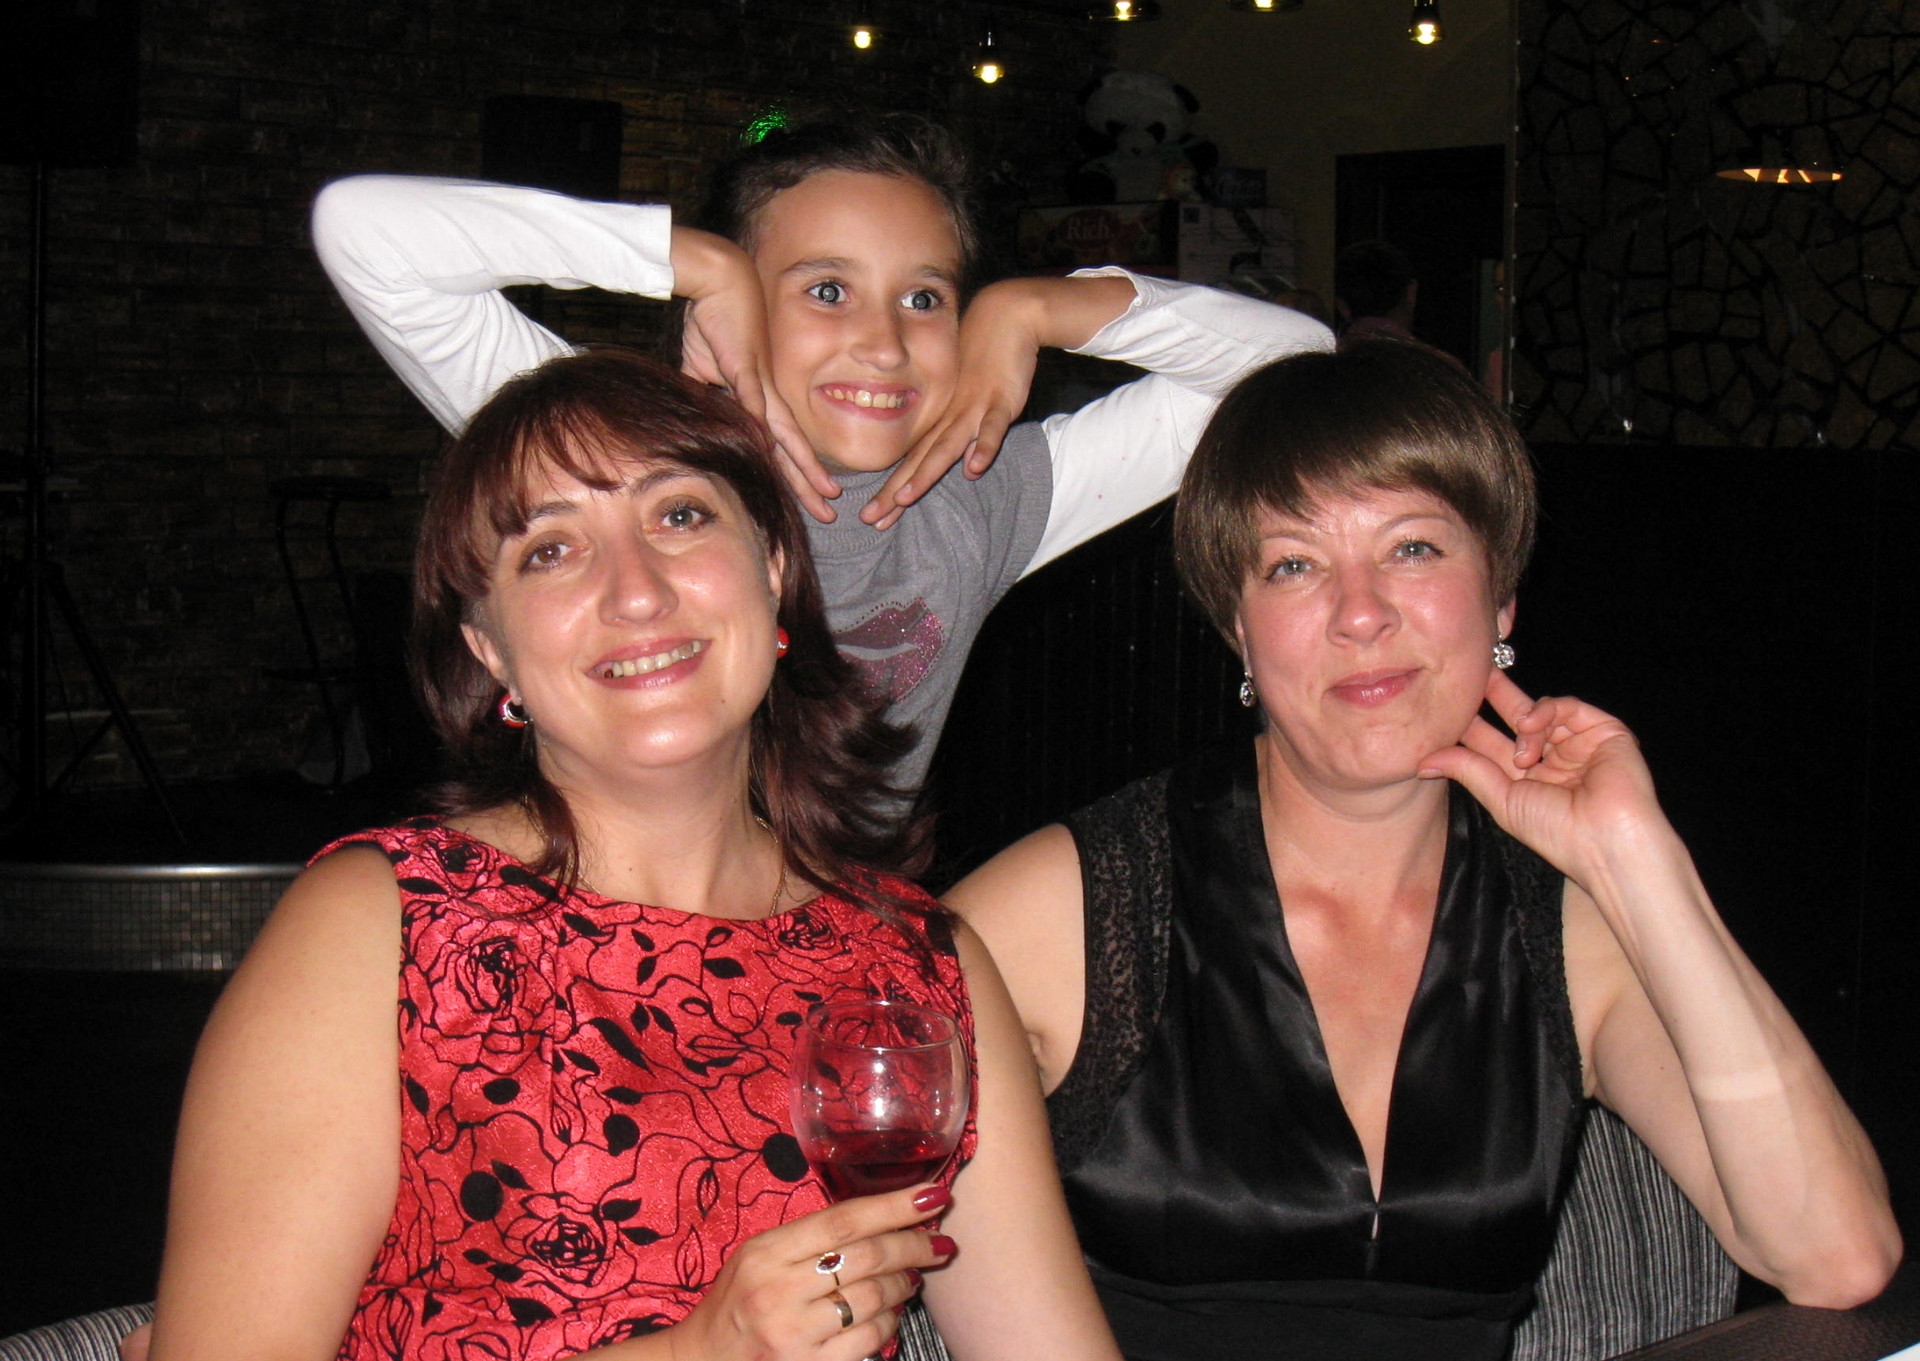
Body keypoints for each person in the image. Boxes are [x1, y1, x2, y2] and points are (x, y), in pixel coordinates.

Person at [140, 350, 1123, 1361]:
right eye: (551, 550)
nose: (636, 592)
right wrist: (695, 1352)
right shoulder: (383, 926)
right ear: (489, 649)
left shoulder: (918, 965)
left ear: (774, 570)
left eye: (679, 515)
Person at [944, 342, 1900, 1360]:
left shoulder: (1566, 920)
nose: (1361, 613)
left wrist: (1636, 858)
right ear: (1240, 631)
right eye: (1295, 564)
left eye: (1412, 548)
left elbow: (1836, 1256)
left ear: (1502, 599)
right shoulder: (1069, 907)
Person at [310, 115, 1332, 794]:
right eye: (827, 290)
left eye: (924, 296)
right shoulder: (618, 454)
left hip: (836, 973)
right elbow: (363, 232)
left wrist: (1044, 308)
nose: (883, 343)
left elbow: (1293, 365)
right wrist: (691, 261)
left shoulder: (975, 495)